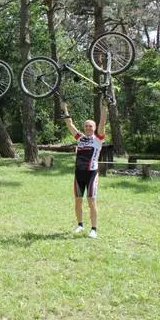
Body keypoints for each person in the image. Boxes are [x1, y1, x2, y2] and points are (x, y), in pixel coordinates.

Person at [61, 100, 109, 239]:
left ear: (94, 128)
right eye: (86, 126)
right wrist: (65, 109)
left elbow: (102, 123)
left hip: (91, 174)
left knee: (91, 201)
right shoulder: (80, 138)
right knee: (77, 201)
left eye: (90, 126)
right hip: (78, 174)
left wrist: (104, 107)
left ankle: (94, 229)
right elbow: (70, 124)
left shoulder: (98, 139)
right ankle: (80, 225)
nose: (88, 128)